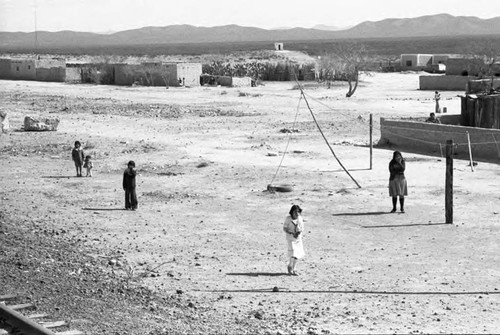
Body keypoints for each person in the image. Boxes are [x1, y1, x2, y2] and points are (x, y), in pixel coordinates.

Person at [283, 204, 305, 275]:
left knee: (297, 254)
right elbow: (285, 228)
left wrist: (298, 232)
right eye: (295, 212)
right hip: (290, 238)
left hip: (298, 239)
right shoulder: (288, 219)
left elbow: (302, 228)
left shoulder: (300, 218)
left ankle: (294, 268)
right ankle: (290, 266)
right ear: (292, 212)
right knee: (293, 252)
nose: (296, 213)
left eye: (298, 212)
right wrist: (290, 232)